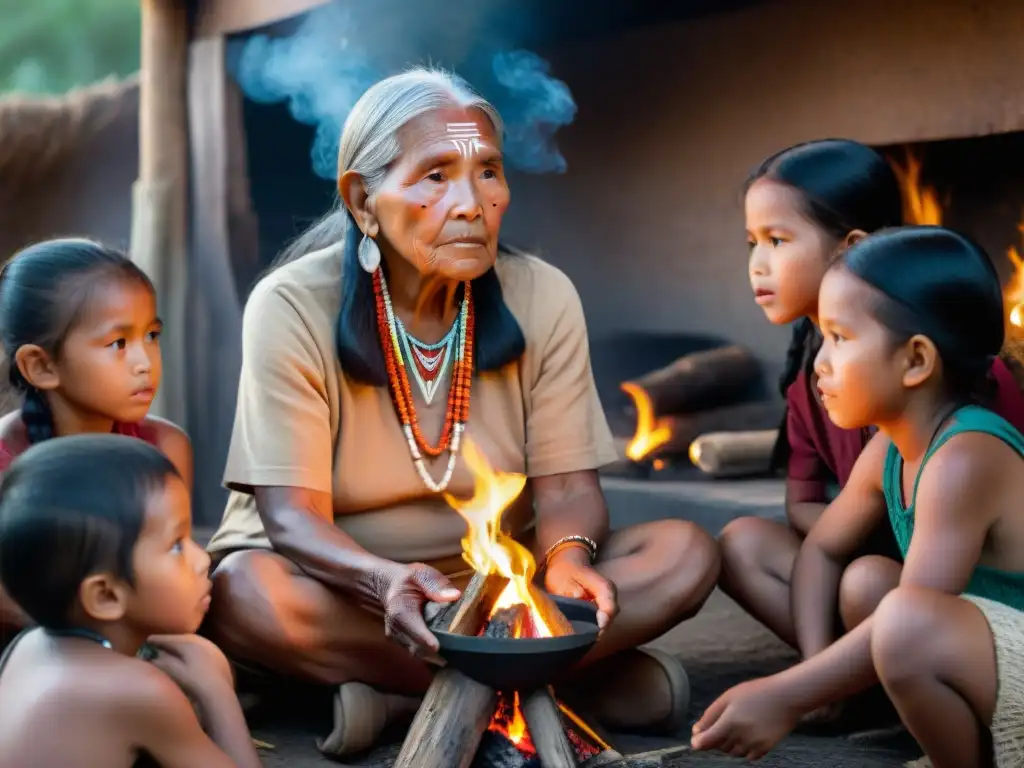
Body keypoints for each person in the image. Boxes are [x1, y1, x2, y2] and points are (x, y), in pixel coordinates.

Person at [202, 66, 719, 755]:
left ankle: (397, 699)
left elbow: (567, 490)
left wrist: (566, 561)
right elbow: (291, 517)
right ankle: (556, 688)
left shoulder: (544, 295)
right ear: (362, 199)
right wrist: (383, 580)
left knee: (683, 553)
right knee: (245, 592)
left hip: (500, 579)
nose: (472, 203)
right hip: (346, 589)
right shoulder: (292, 304)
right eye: (436, 175)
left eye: (488, 173)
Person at [691, 226, 1024, 768]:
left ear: (916, 360)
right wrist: (817, 669)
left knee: (903, 620)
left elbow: (914, 615)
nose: (820, 362)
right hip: (984, 658)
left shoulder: (967, 456)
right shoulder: (890, 452)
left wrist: (787, 694)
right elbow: (821, 549)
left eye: (840, 338)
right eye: (821, 337)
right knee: (879, 592)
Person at [720, 140, 1024, 667]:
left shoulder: (971, 397)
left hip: (967, 591)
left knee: (867, 584)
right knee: (743, 542)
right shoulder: (811, 384)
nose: (757, 264)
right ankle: (840, 679)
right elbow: (806, 515)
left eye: (776, 240)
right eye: (751, 242)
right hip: (887, 563)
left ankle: (862, 681)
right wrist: (856, 526)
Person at [0, 434, 261, 768]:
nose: (202, 559)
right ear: (105, 596)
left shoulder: (29, 645)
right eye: (177, 546)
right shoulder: (138, 691)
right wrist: (216, 690)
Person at [0, 238, 191, 642]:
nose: (145, 363)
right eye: (118, 343)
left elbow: (168, 576)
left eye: (152, 336)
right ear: (41, 365)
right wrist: (96, 643)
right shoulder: (6, 459)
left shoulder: (163, 446)